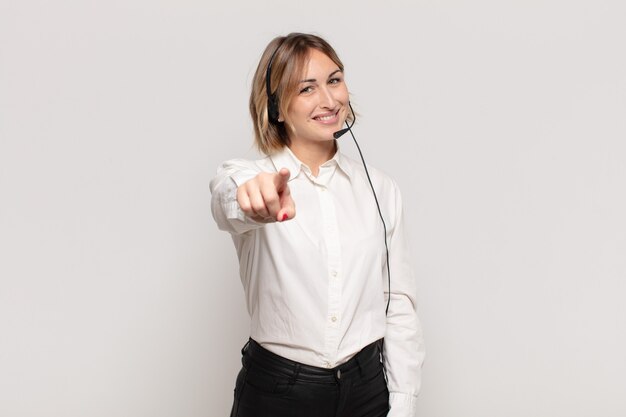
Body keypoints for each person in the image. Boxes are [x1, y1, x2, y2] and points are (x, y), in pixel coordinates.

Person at [210, 32, 425, 417]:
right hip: (278, 392)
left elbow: (398, 303)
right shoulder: (249, 176)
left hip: (367, 389)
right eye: (306, 88)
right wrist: (252, 201)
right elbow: (228, 200)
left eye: (335, 80)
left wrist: (403, 401)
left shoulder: (381, 189)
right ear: (276, 107)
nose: (329, 100)